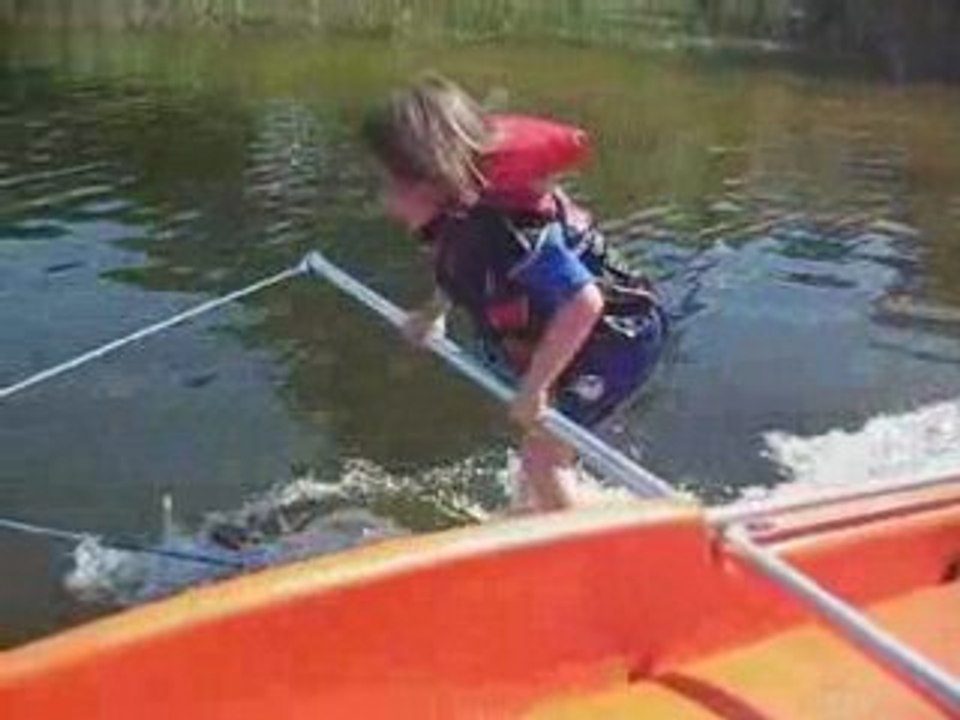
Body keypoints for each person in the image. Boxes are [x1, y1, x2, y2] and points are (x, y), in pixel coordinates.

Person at [362, 74, 667, 512]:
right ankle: (542, 515)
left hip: (618, 337)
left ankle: (575, 558)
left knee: (542, 456)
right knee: (540, 445)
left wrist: (538, 386)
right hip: (579, 335)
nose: (384, 201)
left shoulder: (509, 233)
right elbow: (457, 270)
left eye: (390, 185)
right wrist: (433, 312)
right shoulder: (458, 218)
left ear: (429, 178)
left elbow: (584, 303)